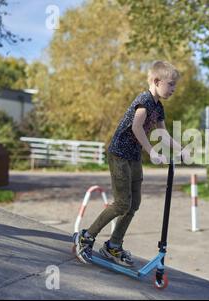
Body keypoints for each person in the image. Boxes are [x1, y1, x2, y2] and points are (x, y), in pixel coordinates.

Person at [73, 61, 188, 266]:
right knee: (122, 203)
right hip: (119, 154)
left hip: (133, 157)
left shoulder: (158, 107)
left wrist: (182, 149)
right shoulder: (144, 100)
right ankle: (86, 236)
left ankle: (113, 246)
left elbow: (162, 133)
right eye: (170, 84)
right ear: (156, 81)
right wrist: (151, 151)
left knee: (134, 204)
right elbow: (137, 127)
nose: (173, 89)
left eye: (175, 86)